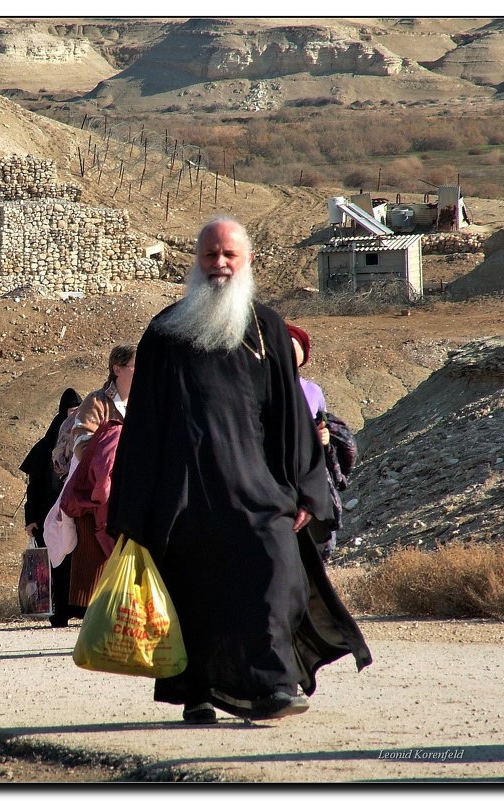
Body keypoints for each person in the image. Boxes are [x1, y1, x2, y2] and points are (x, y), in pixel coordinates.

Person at [107, 216, 372, 725]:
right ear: (196, 260)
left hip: (258, 491)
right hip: (185, 494)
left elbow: (291, 416)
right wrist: (134, 509)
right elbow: (143, 427)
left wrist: (305, 490)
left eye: (230, 255)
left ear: (246, 261)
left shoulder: (267, 327)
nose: (220, 265)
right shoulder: (164, 333)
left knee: (277, 576)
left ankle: (273, 686)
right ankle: (199, 690)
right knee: (193, 595)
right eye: (211, 255)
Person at [63, 344, 135, 608]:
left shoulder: (143, 403)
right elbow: (81, 440)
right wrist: (107, 457)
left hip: (130, 489)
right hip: (95, 492)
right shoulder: (97, 401)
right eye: (134, 366)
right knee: (93, 557)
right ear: (117, 369)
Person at [286, 322, 358, 562]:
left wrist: (324, 440)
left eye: (294, 350)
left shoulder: (312, 391)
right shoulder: (259, 389)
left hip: (310, 478)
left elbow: (323, 427)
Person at [19, 388, 83, 627]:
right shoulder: (47, 445)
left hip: (75, 511)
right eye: (71, 410)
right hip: (49, 513)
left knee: (76, 562)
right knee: (56, 563)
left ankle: (78, 608)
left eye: (79, 410)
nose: (75, 415)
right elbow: (34, 485)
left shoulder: (84, 436)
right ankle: (59, 612)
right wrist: (31, 518)